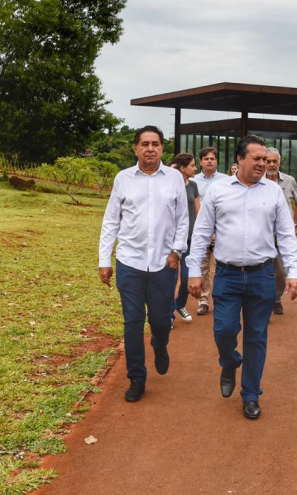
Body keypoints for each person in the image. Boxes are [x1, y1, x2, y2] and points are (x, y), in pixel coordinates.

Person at [187, 135, 297, 420]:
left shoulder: (273, 192)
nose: (263, 164)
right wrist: (193, 272)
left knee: (256, 337)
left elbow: (286, 234)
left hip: (261, 274)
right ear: (239, 159)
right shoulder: (218, 190)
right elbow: (201, 232)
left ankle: (251, 394)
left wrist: (293, 272)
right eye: (257, 159)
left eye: (265, 159)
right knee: (223, 331)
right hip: (227, 274)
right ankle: (229, 361)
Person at [98, 126, 188, 403]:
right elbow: (111, 220)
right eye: (145, 144)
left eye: (156, 144)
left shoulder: (174, 178)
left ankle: (160, 345)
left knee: (161, 321)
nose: (150, 148)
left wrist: (177, 251)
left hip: (164, 264)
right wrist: (105, 260)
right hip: (130, 262)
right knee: (133, 321)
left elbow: (183, 220)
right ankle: (137, 377)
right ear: (135, 148)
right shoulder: (123, 179)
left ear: (162, 149)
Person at [264, 147, 297, 315]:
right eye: (268, 161)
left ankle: (276, 298)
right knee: (263, 269)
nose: (272, 164)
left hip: (281, 234)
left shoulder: (289, 180)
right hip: (263, 233)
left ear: (279, 162)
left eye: (275, 161)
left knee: (280, 270)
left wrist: (294, 224)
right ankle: (264, 301)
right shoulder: (258, 181)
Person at [190, 147, 228, 316]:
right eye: (206, 158)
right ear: (200, 162)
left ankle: (222, 299)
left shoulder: (226, 180)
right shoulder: (193, 181)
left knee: (222, 266)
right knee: (203, 266)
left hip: (221, 230)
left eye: (213, 158)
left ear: (217, 161)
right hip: (201, 229)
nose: (210, 161)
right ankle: (203, 301)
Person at [171, 153, 201, 323]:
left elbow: (199, 211)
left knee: (187, 275)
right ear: (182, 168)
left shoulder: (193, 185)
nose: (195, 168)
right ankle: (168, 314)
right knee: (171, 277)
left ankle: (180, 304)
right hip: (170, 240)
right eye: (192, 165)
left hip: (188, 239)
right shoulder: (170, 185)